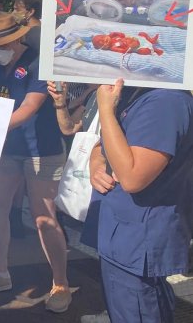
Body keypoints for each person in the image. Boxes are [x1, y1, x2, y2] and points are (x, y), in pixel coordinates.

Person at [0, 13, 71, 312]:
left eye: (2, 43)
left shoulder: (38, 63)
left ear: (18, 38)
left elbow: (29, 108)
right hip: (5, 149)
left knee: (44, 217)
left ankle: (60, 282)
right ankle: (0, 272)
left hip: (41, 148)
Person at [86, 81, 193, 322]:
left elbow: (133, 177)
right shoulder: (140, 93)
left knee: (137, 309)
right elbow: (104, 144)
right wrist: (97, 163)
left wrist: (105, 109)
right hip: (123, 235)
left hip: (137, 240)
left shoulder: (165, 102)